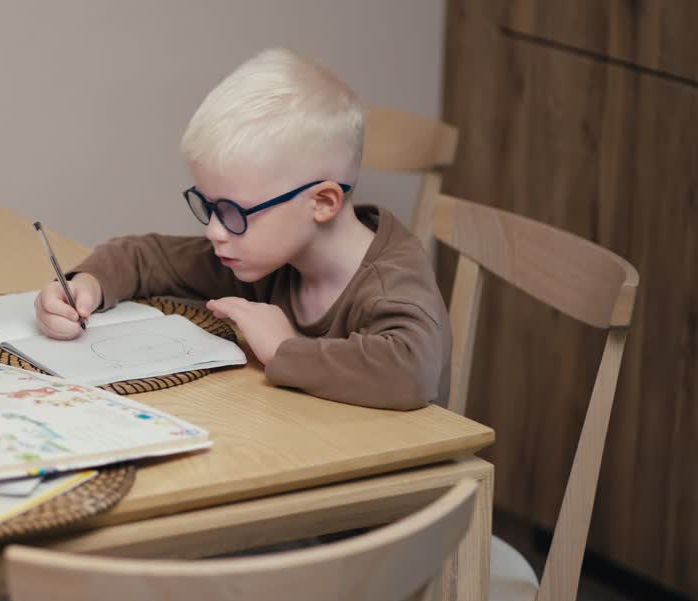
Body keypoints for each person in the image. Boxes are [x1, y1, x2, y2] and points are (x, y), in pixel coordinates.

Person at [34, 48, 450, 411]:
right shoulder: (265, 255)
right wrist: (86, 286)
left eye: (233, 211)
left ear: (322, 203)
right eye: (210, 206)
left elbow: (413, 371)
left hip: (385, 482)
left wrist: (285, 350)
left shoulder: (391, 282)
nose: (216, 230)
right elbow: (144, 257)